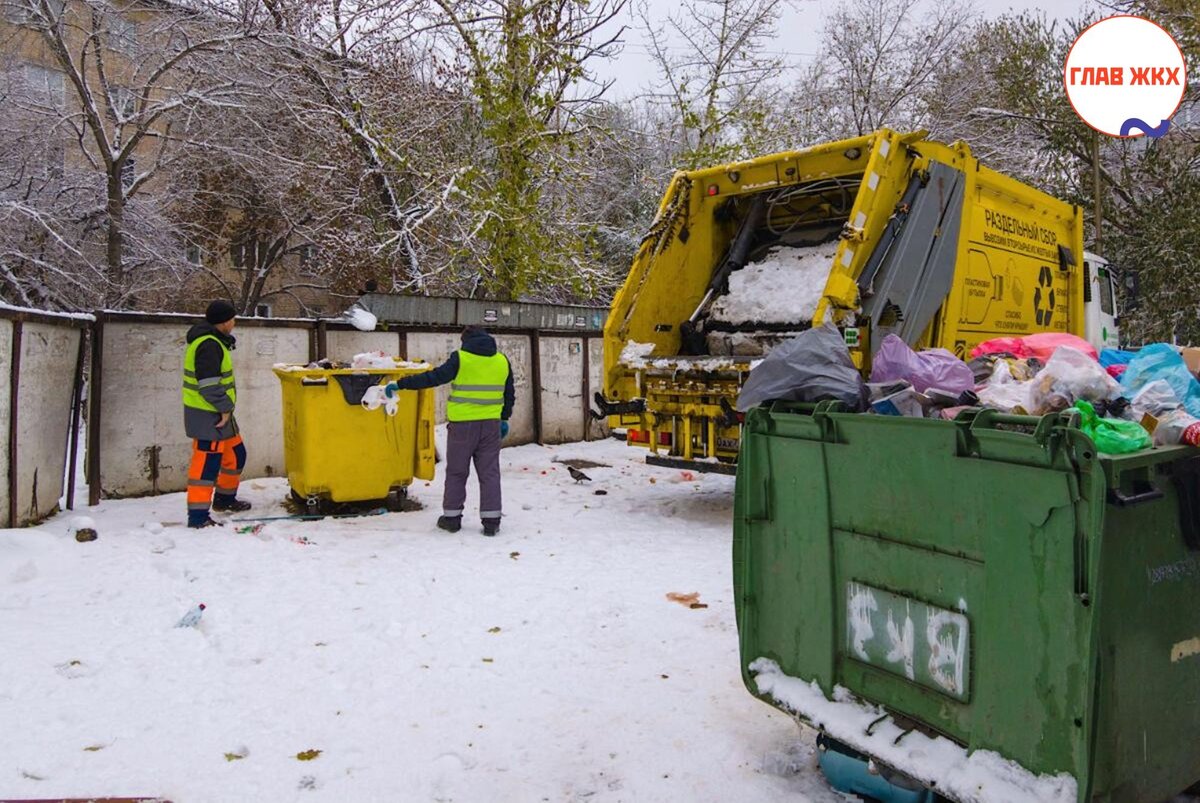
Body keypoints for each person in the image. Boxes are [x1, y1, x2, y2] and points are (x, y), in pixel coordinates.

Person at [385, 325, 515, 536]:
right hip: (491, 426)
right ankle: (492, 522)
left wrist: (401, 384)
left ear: (466, 340)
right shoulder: (502, 360)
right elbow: (509, 392)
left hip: (463, 427)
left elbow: (433, 377)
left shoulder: (461, 358)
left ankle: (452, 518)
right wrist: (504, 418)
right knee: (490, 473)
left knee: (457, 472)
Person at [182, 300, 251, 528]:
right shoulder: (208, 345)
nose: (234, 323)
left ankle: (224, 499)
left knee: (236, 454)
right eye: (232, 319)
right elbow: (208, 385)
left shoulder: (217, 342)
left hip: (220, 412)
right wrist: (223, 408)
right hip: (208, 414)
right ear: (224, 321)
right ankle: (198, 517)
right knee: (206, 466)